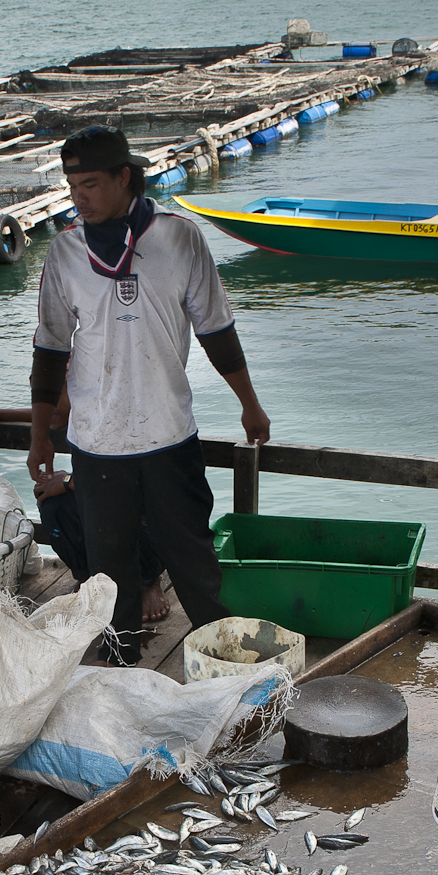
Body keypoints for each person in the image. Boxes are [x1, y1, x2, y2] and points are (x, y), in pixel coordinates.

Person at [30, 125, 271, 663]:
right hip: (96, 443)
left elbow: (216, 330)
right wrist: (40, 435)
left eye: (91, 184)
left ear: (124, 177)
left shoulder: (179, 238)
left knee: (193, 559)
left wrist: (249, 404)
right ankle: (121, 664)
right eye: (72, 187)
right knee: (108, 571)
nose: (79, 198)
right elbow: (48, 349)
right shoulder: (65, 251)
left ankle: (223, 663)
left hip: (169, 435)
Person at [0, 404, 168, 622]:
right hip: (96, 490)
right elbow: (55, 412)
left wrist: (69, 481)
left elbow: (132, 481)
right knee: (53, 502)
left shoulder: (125, 416)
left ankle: (148, 582)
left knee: (129, 505)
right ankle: (87, 578)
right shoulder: (80, 409)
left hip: (145, 506)